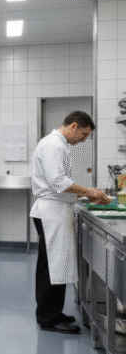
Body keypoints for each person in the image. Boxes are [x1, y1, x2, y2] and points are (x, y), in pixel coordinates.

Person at [30, 110, 110, 333]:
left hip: (56, 211)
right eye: (84, 135)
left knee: (56, 264)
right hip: (50, 214)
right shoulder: (53, 145)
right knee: (51, 267)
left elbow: (61, 186)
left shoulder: (59, 145)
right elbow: (59, 182)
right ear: (74, 126)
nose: (84, 140)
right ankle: (48, 318)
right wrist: (90, 191)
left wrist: (87, 195)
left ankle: (52, 311)